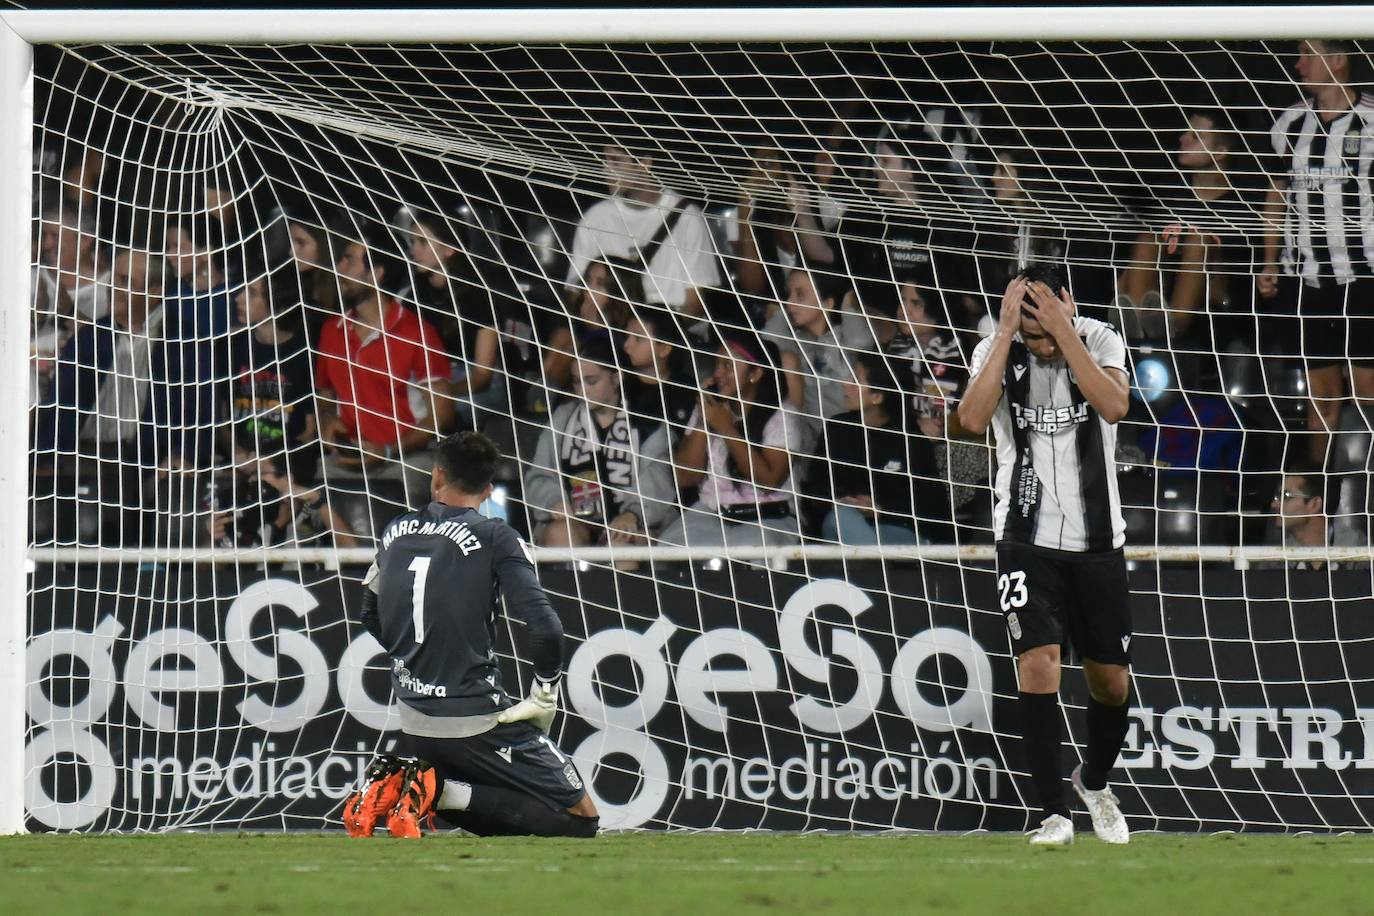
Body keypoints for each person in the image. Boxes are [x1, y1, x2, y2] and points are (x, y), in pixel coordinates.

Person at [343, 430, 598, 839]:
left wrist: (417, 662)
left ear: (437, 476)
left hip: (414, 721)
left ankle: (408, 783)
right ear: (489, 488)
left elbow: (369, 613)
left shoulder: (395, 530)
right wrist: (544, 694)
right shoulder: (498, 536)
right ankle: (435, 790)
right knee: (582, 820)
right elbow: (546, 628)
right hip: (478, 718)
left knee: (496, 794)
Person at [957, 266, 1133, 847]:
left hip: (1098, 541)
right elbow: (970, 421)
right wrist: (1007, 334)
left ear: (1065, 307)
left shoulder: (1101, 338)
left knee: (1110, 683)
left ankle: (1096, 781)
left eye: (1044, 330)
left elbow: (1113, 406)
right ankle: (1053, 813)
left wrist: (1065, 333)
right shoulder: (996, 347)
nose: (1039, 344)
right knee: (1038, 664)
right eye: (1029, 333)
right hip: (1024, 536)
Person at [1259, 39, 1374, 468]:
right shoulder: (1291, 122)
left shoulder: (1372, 120)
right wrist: (1269, 261)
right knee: (1320, 395)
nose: (1298, 63)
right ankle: (1321, 489)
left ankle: (1365, 494)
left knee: (1367, 392)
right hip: (1307, 277)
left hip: (1365, 276)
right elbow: (1276, 192)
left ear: (1338, 60)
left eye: (1309, 55)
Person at [314, 230, 455, 505]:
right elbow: (324, 397)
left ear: (375, 273)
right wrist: (327, 420)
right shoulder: (331, 330)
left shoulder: (417, 333)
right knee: (317, 492)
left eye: (348, 260)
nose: (339, 268)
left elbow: (442, 416)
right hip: (346, 459)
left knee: (400, 490)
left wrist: (388, 450)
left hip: (404, 460)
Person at [1117, 108, 1258, 352]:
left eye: (1196, 136)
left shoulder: (1242, 201)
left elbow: (1234, 270)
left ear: (1221, 152)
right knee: (1150, 236)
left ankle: (1173, 324)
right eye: (1186, 132)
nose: (1183, 138)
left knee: (1198, 239)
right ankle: (1135, 316)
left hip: (1217, 299)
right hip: (1161, 292)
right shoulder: (1169, 195)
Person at [523, 339, 677, 548]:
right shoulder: (563, 419)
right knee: (560, 534)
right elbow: (538, 476)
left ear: (616, 378)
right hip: (577, 521)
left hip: (637, 524)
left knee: (621, 543)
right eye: (577, 382)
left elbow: (658, 481)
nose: (582, 390)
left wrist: (633, 514)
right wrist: (554, 501)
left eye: (591, 381)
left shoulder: (647, 425)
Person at [661, 332, 804, 548]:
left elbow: (769, 481)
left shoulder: (782, 416)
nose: (718, 373)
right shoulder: (712, 411)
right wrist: (704, 421)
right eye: (717, 365)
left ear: (755, 373)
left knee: (754, 552)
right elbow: (684, 477)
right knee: (668, 548)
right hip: (712, 513)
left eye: (728, 366)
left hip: (766, 516)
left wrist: (725, 428)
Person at [802, 353, 949, 545]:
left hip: (897, 532)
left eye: (855, 381)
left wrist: (878, 509)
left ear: (877, 396)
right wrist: (843, 500)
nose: (845, 384)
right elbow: (816, 487)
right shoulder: (837, 429)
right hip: (839, 526)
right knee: (843, 517)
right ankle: (876, 570)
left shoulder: (910, 439)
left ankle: (872, 568)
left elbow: (932, 507)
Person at [566, 143, 721, 319]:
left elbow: (695, 302)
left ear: (644, 163)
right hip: (613, 327)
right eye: (604, 161)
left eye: (615, 162)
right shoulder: (595, 217)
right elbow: (575, 292)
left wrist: (656, 336)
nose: (605, 170)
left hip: (673, 328)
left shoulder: (687, 217)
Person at [396, 207, 509, 429]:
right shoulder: (412, 297)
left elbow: (483, 374)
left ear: (449, 249)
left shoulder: (477, 296)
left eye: (423, 243)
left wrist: (446, 392)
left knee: (444, 414)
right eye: (412, 242)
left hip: (471, 385)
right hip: (428, 382)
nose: (414, 250)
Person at [765, 267, 878, 437]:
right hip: (809, 443)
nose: (789, 303)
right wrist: (780, 311)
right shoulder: (793, 341)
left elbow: (861, 344)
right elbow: (769, 339)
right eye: (788, 295)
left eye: (800, 295)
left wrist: (847, 304)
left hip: (852, 436)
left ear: (827, 303)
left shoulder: (844, 338)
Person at [1268, 467, 1368, 570]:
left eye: (1285, 496)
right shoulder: (1277, 557)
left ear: (1315, 504)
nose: (1274, 504)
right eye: (1276, 497)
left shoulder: (1359, 552)